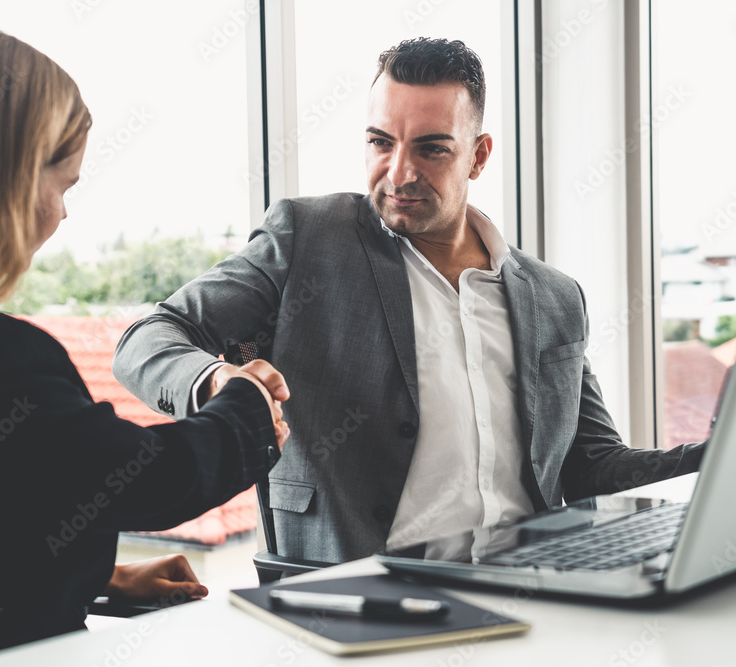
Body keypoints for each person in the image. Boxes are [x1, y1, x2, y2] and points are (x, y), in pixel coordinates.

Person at [113, 37, 704, 565]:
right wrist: (215, 380)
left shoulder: (553, 297)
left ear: (477, 155)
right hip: (357, 602)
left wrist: (723, 452)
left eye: (431, 149)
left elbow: (592, 467)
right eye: (380, 142)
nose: (399, 172)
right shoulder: (308, 240)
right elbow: (150, 338)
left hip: (530, 596)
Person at [0, 24, 287, 664]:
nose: (62, 213)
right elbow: (144, 477)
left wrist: (98, 579)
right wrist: (248, 410)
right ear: (3, 181)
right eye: (63, 184)